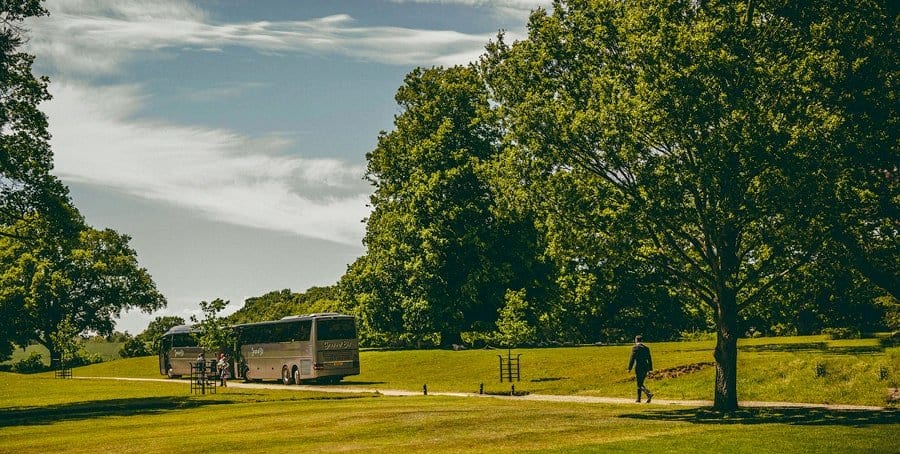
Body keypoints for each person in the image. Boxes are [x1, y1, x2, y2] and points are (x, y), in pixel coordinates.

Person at [627, 335, 654, 403]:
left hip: (639, 366)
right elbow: (649, 359)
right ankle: (639, 399)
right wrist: (650, 369)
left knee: (639, 383)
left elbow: (632, 358)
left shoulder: (635, 348)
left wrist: (629, 368)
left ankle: (648, 393)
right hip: (646, 366)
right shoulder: (646, 348)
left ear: (636, 340)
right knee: (640, 382)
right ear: (641, 340)